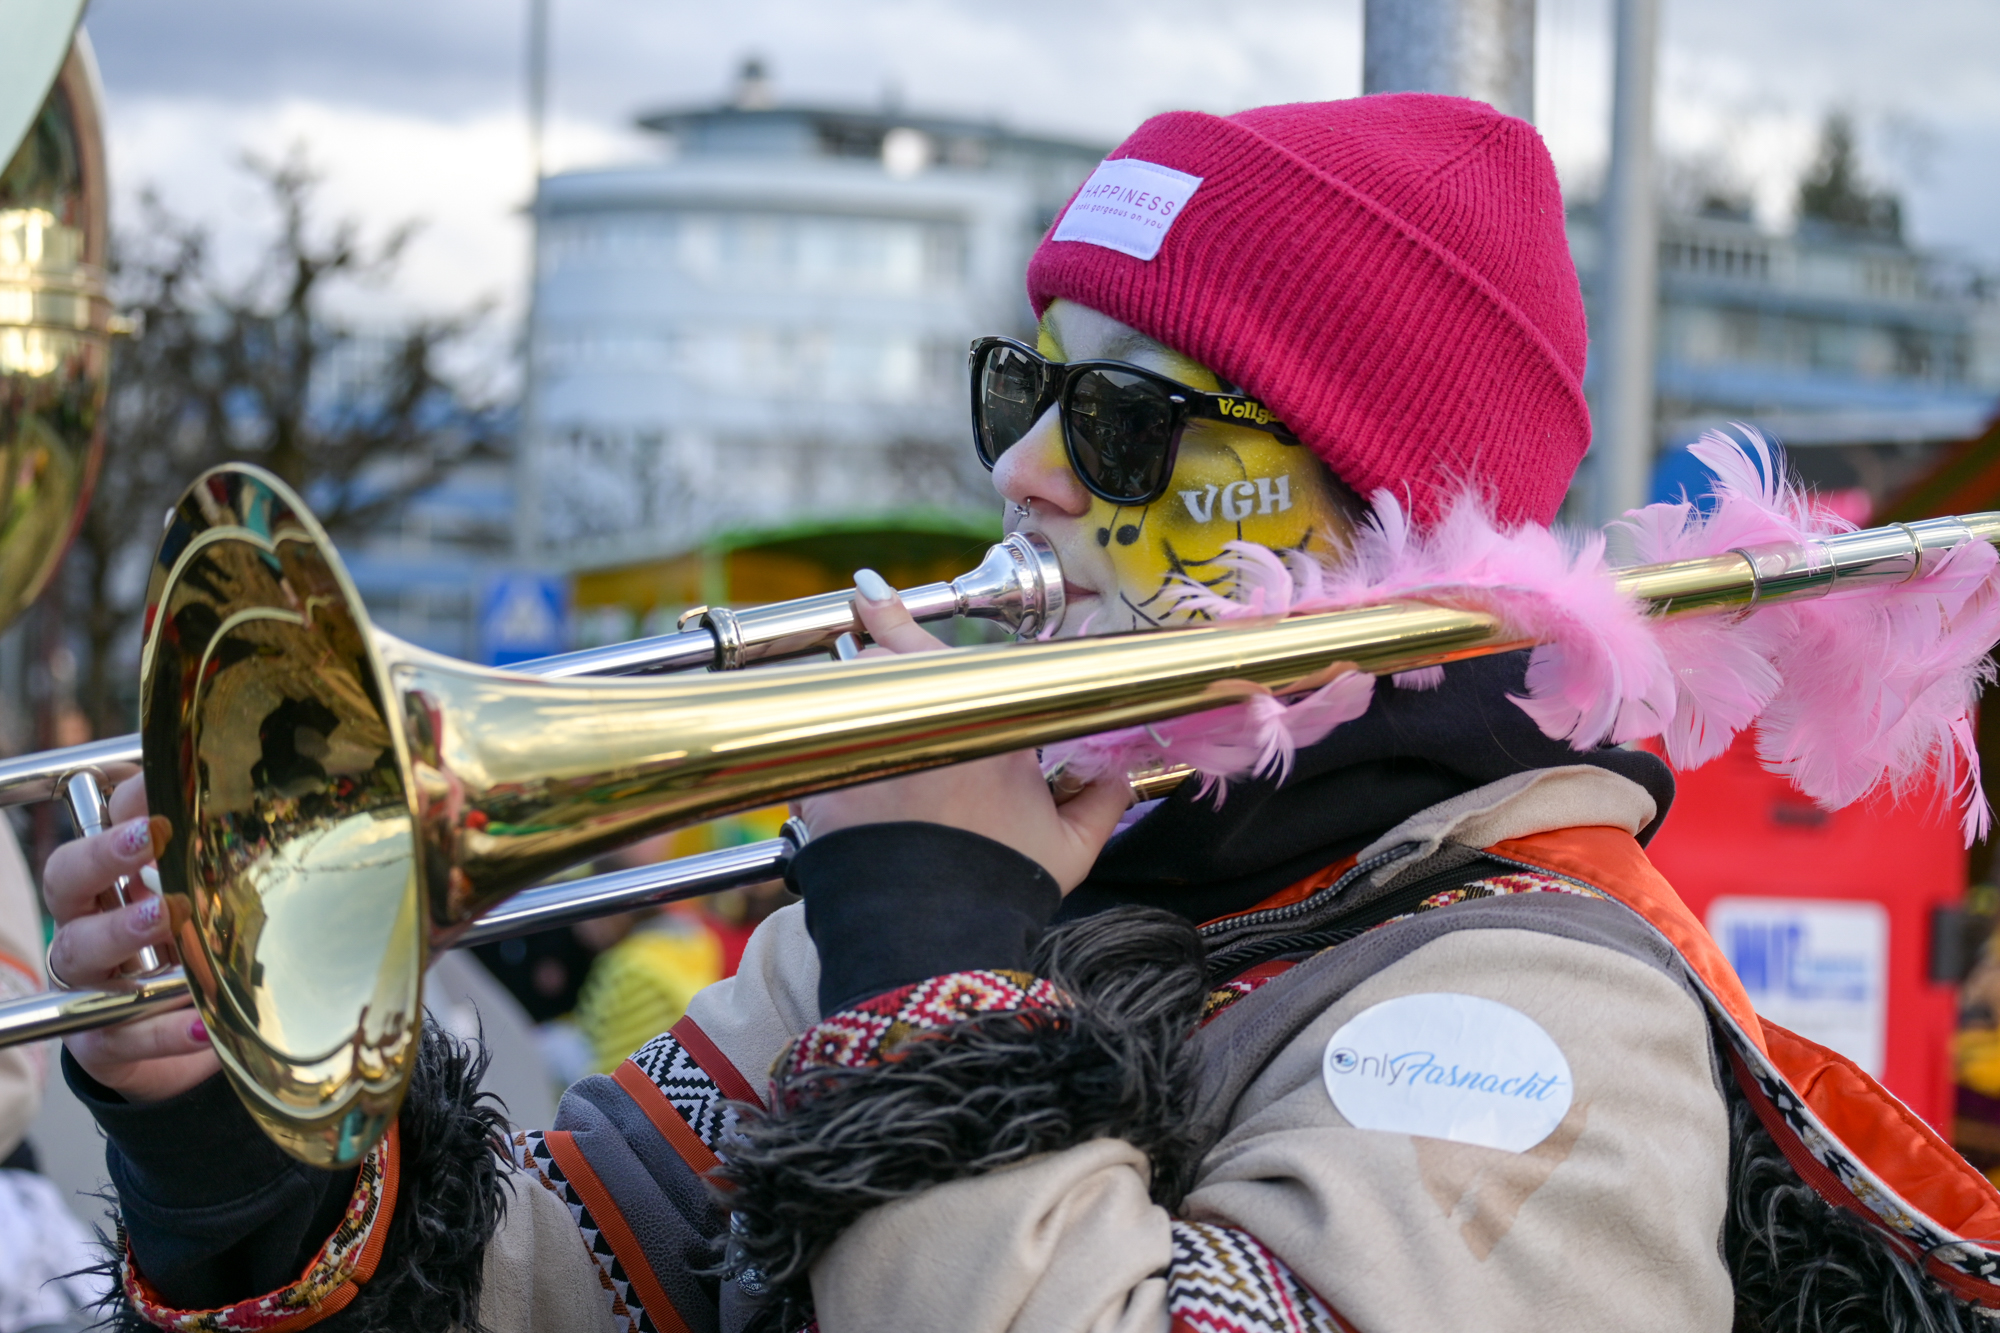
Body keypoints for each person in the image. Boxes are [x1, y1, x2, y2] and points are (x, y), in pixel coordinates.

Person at [41, 94, 2000, 1333]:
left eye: (1135, 420)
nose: (1035, 479)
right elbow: (530, 1300)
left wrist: (936, 964)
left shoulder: (1548, 1020)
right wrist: (227, 1129)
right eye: (1028, 389)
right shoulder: (957, 904)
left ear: (1387, 521)